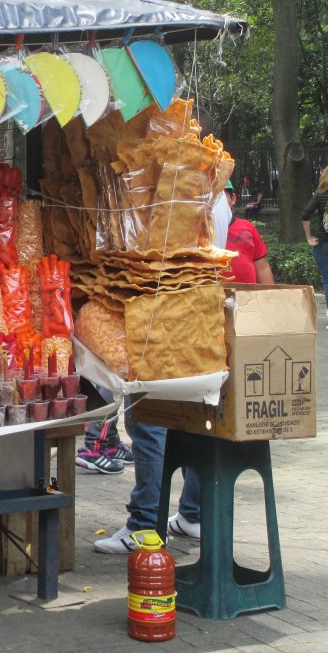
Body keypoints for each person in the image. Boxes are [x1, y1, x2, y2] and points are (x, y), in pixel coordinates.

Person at [93, 187, 237, 554]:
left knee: (148, 424)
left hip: (164, 322)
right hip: (197, 322)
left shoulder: (174, 192)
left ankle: (143, 526)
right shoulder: (215, 195)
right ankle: (191, 514)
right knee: (193, 422)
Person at [301, 167, 328, 303]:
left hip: (322, 243)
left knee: (327, 281)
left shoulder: (320, 194)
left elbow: (306, 214)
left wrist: (308, 237)